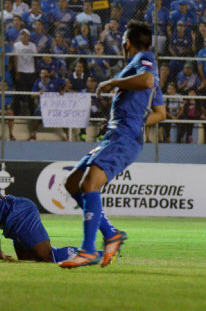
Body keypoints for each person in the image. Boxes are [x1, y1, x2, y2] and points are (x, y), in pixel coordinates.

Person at [60, 20, 166, 269]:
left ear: (126, 43)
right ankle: (110, 234)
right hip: (115, 135)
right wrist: (139, 123)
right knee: (72, 182)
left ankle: (87, 250)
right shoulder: (139, 67)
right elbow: (161, 112)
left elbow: (148, 81)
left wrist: (112, 83)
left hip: (123, 137)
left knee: (90, 183)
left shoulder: (144, 60)